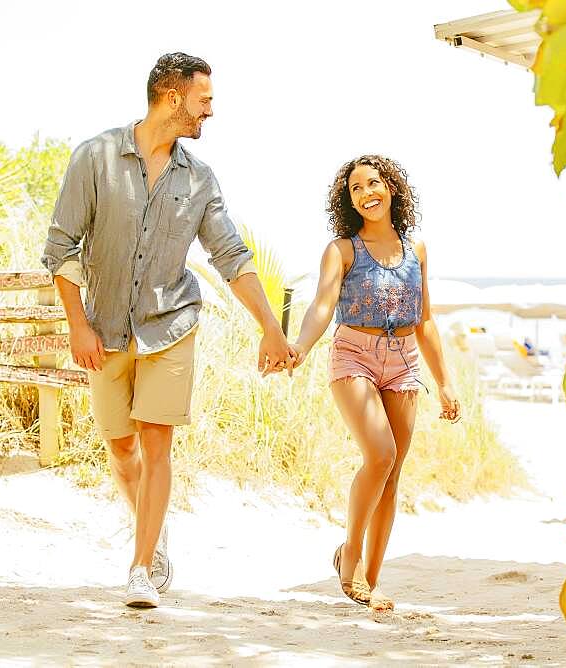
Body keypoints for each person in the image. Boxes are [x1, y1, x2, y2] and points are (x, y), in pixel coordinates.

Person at [41, 52, 293, 608]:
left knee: (157, 444)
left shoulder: (199, 178)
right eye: (204, 100)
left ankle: (140, 566)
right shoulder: (97, 157)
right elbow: (60, 247)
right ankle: (150, 529)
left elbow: (230, 254)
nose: (211, 111)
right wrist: (77, 326)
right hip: (103, 331)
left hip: (170, 324)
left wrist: (271, 330)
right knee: (121, 448)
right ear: (173, 97)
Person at [289, 155, 460, 611]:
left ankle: (371, 580)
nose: (367, 193)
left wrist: (444, 383)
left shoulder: (416, 248)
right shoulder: (342, 250)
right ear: (349, 201)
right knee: (380, 454)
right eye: (356, 188)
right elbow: (323, 306)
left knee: (393, 471)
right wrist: (301, 347)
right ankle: (351, 554)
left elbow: (424, 321)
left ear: (392, 188)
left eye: (374, 183)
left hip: (404, 361)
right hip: (354, 354)